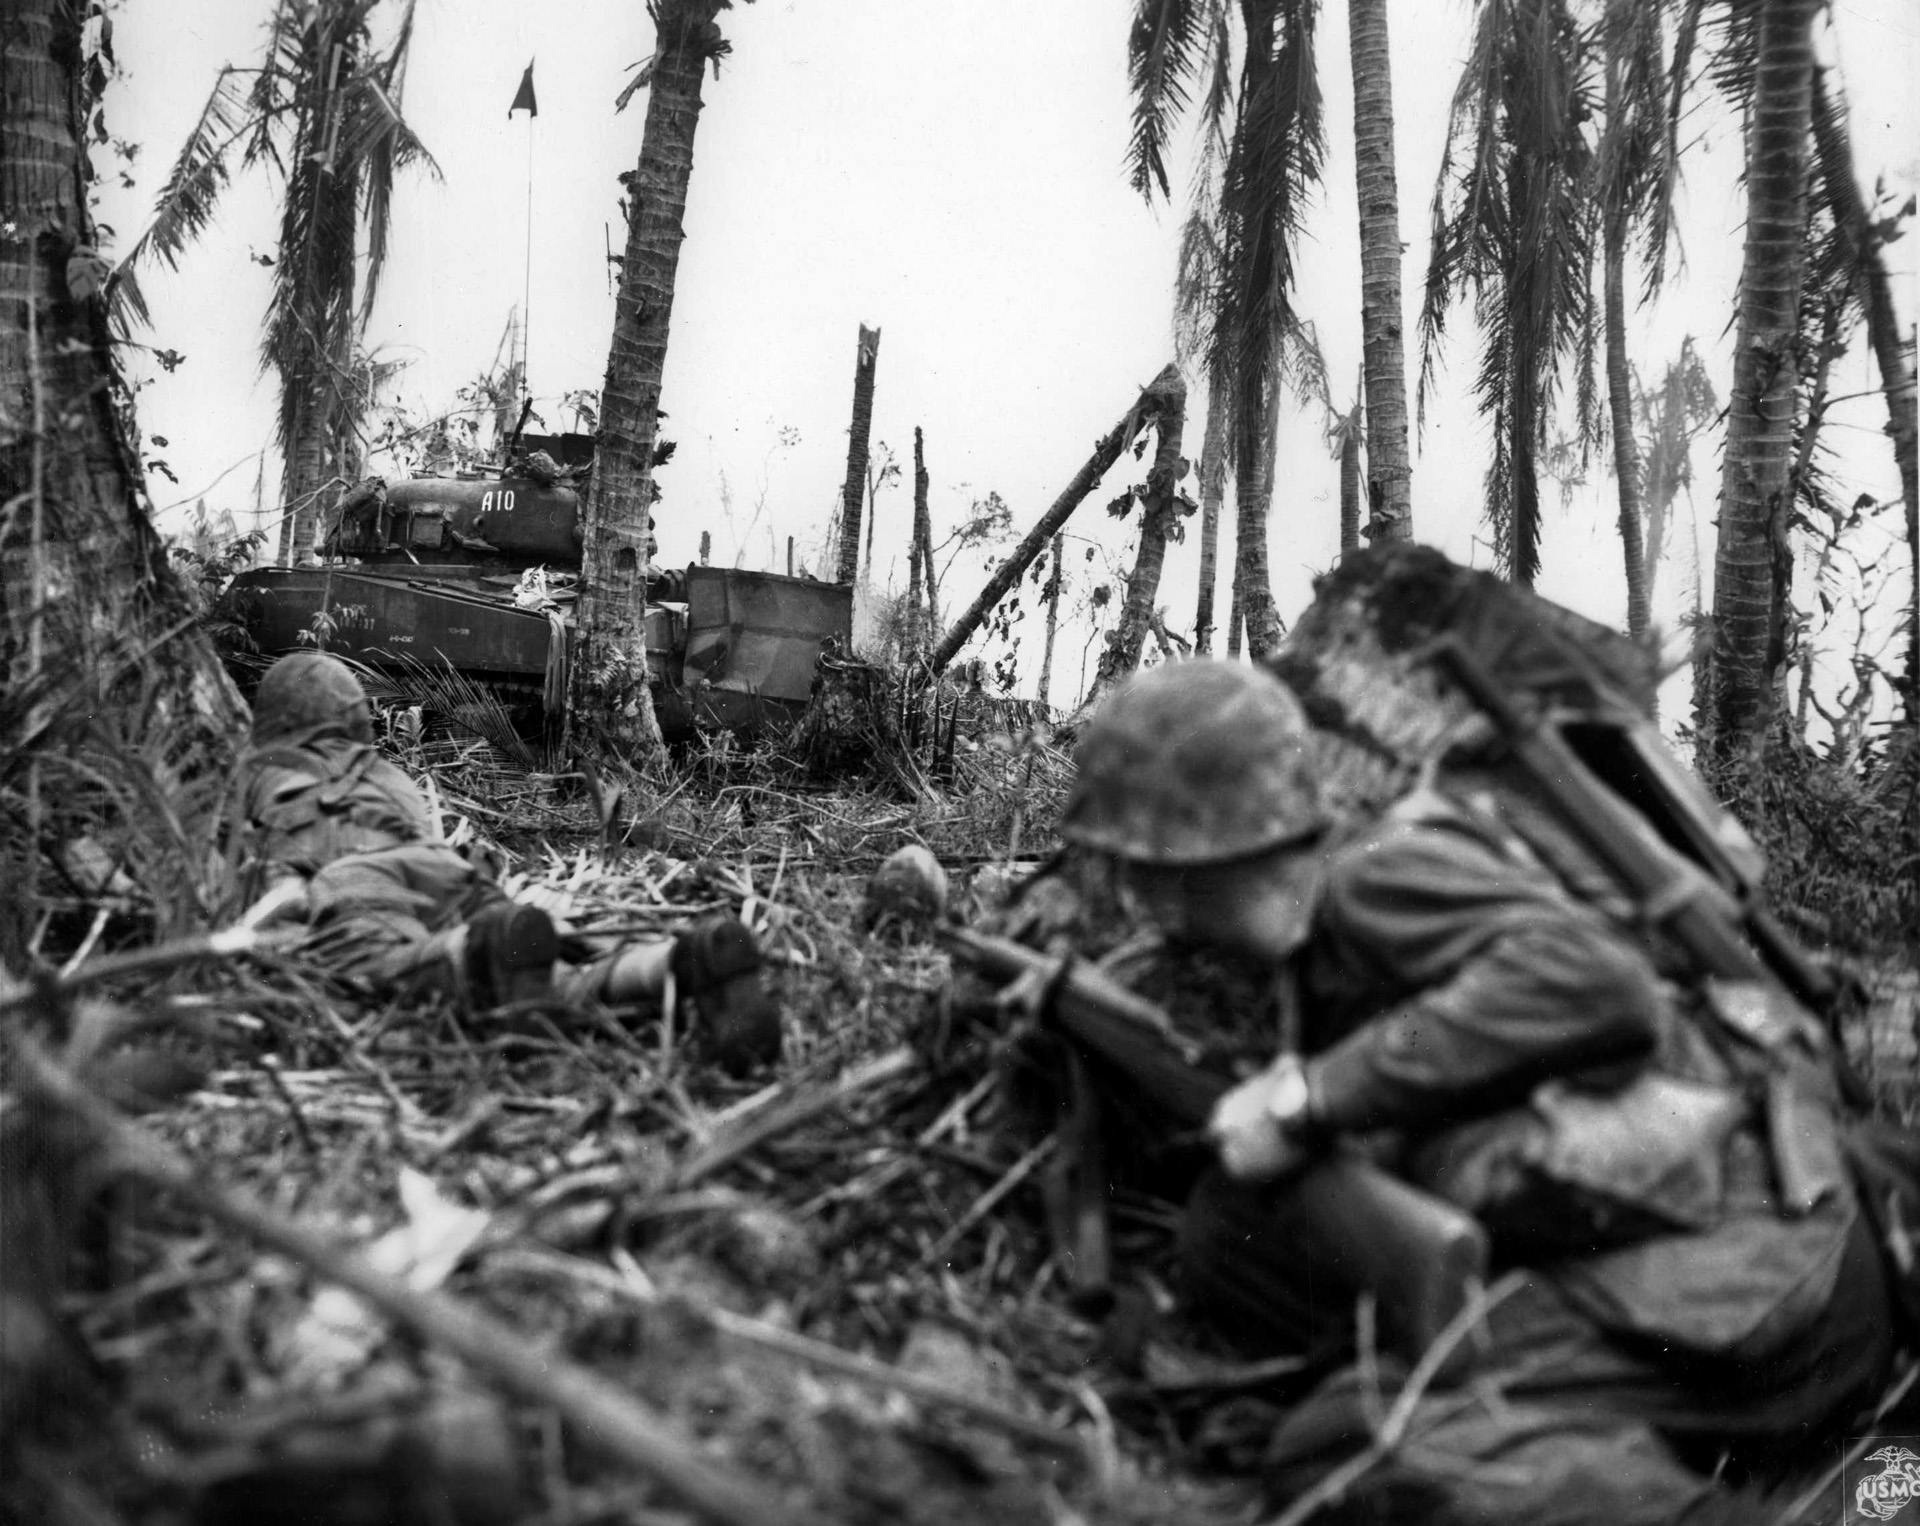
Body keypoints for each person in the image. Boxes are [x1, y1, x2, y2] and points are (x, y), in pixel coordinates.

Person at [1056, 658, 1900, 1524]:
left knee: (1356, 1441)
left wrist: (1314, 1094)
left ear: (1198, 850)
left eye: (1143, 867)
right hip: (1706, 1256)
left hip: (1752, 1297)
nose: (1139, 900)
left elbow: (1588, 982)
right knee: (1237, 1231)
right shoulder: (1346, 899)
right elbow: (1451, 1025)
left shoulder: (1374, 876)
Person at [241, 651, 780, 1073]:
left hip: (353, 880)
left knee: (376, 973)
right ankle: (672, 964)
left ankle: (476, 953)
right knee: (545, 976)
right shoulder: (391, 780)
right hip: (448, 871)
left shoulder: (260, 772)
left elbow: (264, 875)